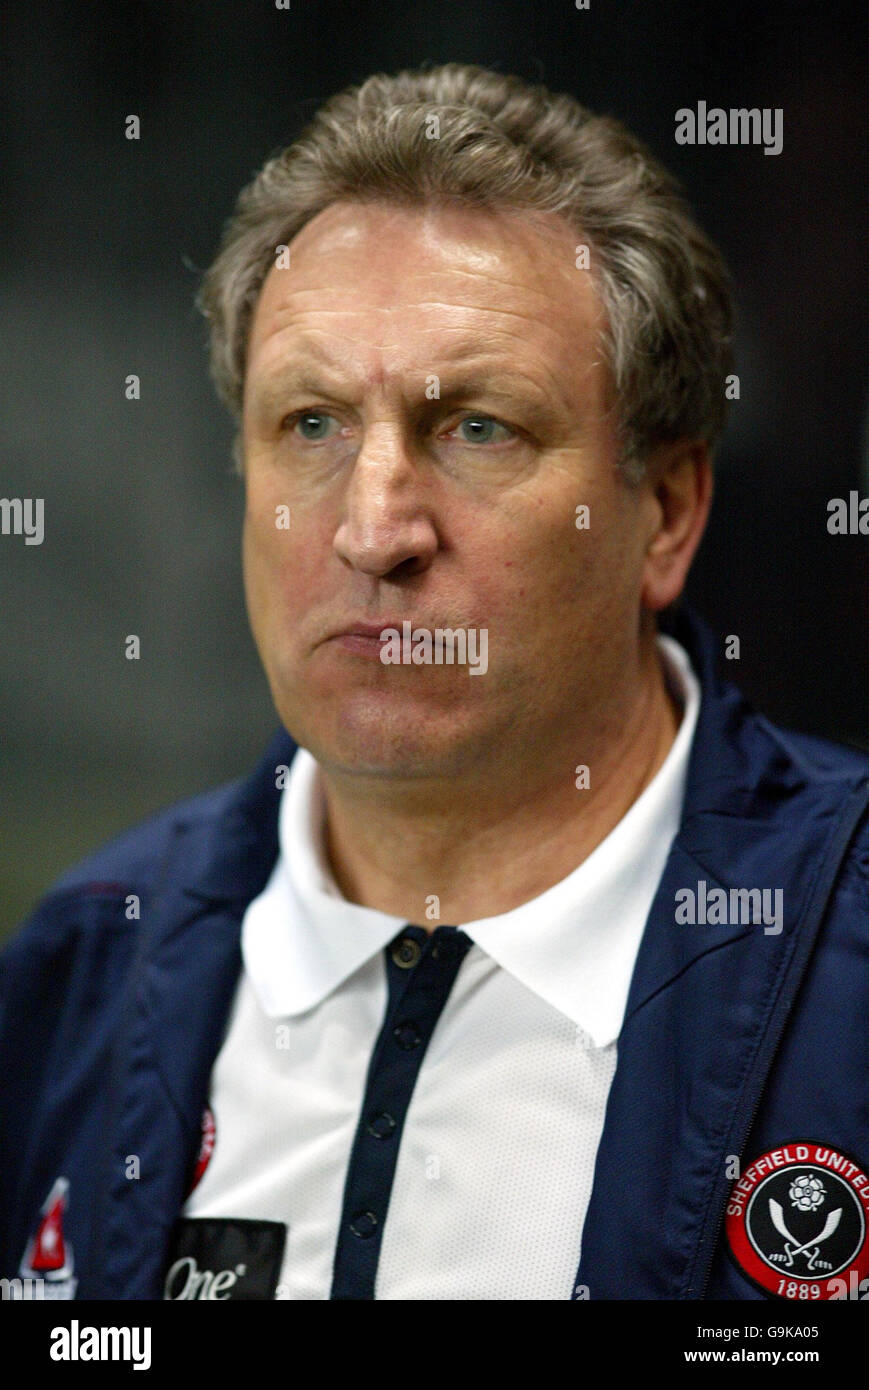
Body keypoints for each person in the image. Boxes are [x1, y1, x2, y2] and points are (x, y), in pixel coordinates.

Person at [2, 63, 867, 1303]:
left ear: (664, 513)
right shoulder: (69, 981)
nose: (372, 528)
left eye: (476, 427)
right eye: (310, 423)